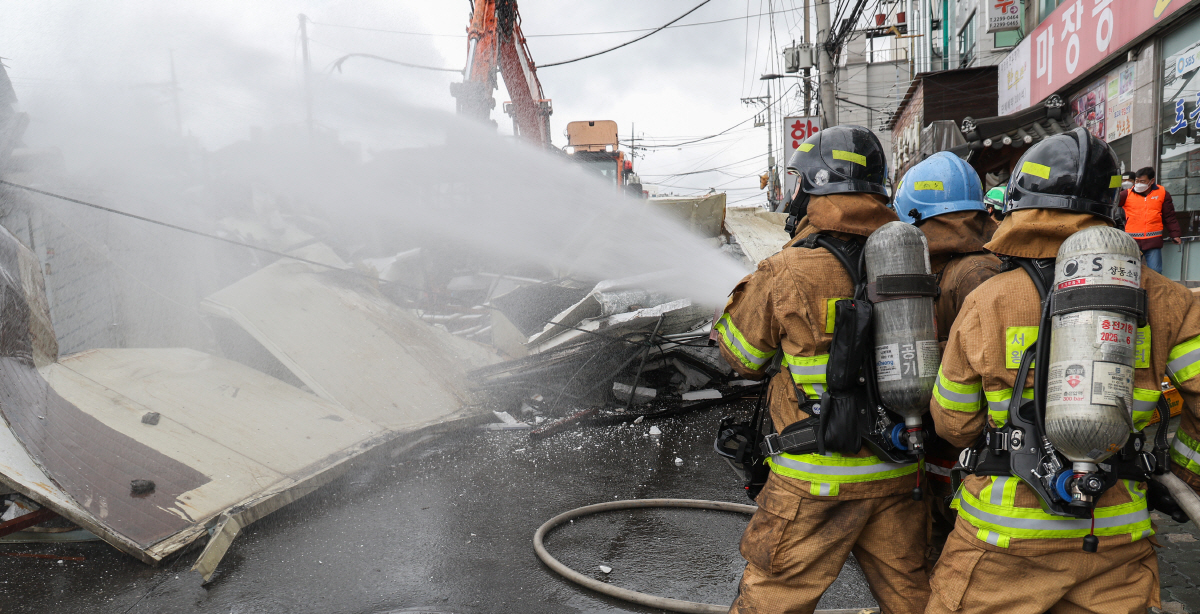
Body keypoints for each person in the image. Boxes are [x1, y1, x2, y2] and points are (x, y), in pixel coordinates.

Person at [927, 127, 1200, 613]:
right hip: (1115, 541)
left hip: (1002, 541)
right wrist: (1181, 473)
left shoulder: (988, 300)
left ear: (1019, 205)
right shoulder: (1168, 298)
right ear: (1110, 207)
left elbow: (954, 421)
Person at [716, 125, 930, 614]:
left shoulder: (788, 268)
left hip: (814, 479)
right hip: (897, 472)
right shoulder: (915, 259)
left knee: (773, 596)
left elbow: (742, 359)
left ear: (815, 186)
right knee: (916, 597)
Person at [892, 151, 1002, 565]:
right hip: (939, 445)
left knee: (957, 557)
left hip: (966, 447)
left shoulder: (976, 274)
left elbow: (988, 364)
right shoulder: (939, 267)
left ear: (915, 213)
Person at [1119, 166, 1181, 274]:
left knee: (1156, 272)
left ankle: (1152, 291)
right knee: (1129, 272)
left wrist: (1175, 234)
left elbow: (1169, 216)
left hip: (1153, 241)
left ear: (1152, 181)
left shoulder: (1162, 193)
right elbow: (1111, 202)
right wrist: (1115, 187)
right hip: (1132, 241)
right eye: (1137, 181)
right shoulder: (1126, 194)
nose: (1138, 184)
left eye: (1142, 181)